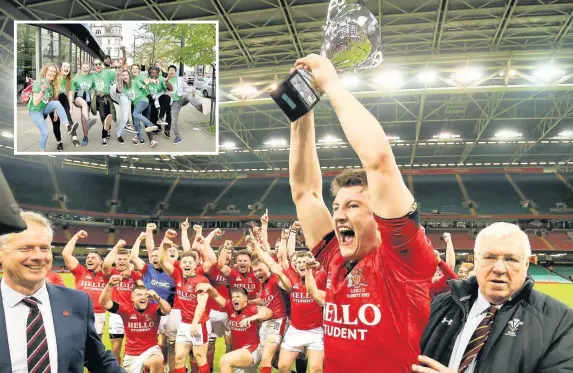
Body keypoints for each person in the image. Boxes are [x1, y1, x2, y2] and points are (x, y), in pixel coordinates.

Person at [288, 54, 436, 373]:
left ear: (379, 215)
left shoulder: (403, 261)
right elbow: (305, 192)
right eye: (338, 206)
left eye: (353, 205)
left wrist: (330, 84)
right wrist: (301, 111)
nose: (339, 215)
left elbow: (379, 162)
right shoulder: (334, 259)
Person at [416, 222, 573, 373]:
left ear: (526, 264)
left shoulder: (561, 322)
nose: (499, 268)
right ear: (476, 261)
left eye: (510, 259)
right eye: (489, 257)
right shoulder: (439, 305)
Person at [0, 211, 124, 373]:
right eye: (25, 248)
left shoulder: (76, 303)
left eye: (45, 248)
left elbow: (97, 358)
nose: (38, 256)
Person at [100, 278, 171, 373]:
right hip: (132, 355)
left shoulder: (154, 309)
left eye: (145, 295)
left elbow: (167, 310)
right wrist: (110, 285)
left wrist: (157, 298)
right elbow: (104, 303)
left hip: (151, 350)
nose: (143, 297)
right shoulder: (126, 309)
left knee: (156, 361)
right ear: (132, 298)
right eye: (139, 295)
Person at [159, 243, 211, 373]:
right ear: (180, 265)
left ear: (195, 265)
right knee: (179, 357)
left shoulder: (201, 281)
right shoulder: (177, 275)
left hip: (199, 324)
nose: (187, 264)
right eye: (184, 262)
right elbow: (162, 261)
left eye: (190, 262)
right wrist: (163, 248)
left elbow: (202, 304)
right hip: (184, 324)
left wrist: (194, 324)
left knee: (200, 357)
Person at [198, 284, 273, 373]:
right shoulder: (230, 307)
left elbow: (268, 312)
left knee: (225, 360)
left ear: (245, 299)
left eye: (238, 296)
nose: (235, 299)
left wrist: (252, 318)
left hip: (252, 350)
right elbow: (216, 295)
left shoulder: (252, 309)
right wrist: (210, 287)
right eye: (233, 297)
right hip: (239, 351)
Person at [102, 240, 144, 363]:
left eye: (124, 259)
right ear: (115, 260)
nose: (121, 261)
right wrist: (116, 246)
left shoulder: (134, 274)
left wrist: (131, 272)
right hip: (116, 314)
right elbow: (105, 265)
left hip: (133, 314)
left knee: (136, 348)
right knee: (115, 348)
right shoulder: (111, 273)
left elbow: (142, 290)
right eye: (119, 259)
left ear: (128, 261)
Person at [62, 229, 108, 337]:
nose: (89, 260)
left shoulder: (107, 275)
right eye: (87, 258)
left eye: (93, 258)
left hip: (98, 314)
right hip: (79, 313)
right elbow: (66, 254)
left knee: (95, 345)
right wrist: (76, 236)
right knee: (76, 343)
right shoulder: (80, 271)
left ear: (101, 261)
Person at [27, 62, 78, 152]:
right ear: (46, 72)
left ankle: (68, 127)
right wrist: (42, 91)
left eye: (54, 72)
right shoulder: (39, 82)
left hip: (44, 108)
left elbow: (51, 99)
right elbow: (35, 102)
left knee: (57, 103)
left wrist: (55, 110)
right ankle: (42, 150)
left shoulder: (51, 84)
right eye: (51, 71)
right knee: (45, 133)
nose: (53, 73)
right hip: (35, 111)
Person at [166, 64, 204, 145]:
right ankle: (178, 137)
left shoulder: (180, 80)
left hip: (181, 99)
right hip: (174, 104)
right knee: (173, 121)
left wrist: (192, 90)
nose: (171, 71)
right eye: (170, 70)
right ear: (168, 71)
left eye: (173, 70)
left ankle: (198, 105)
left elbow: (185, 88)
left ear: (175, 72)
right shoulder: (166, 80)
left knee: (188, 96)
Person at [123, 67, 158, 147]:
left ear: (129, 76)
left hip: (143, 100)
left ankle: (150, 125)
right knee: (136, 122)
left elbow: (146, 81)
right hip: (136, 104)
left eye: (126, 75)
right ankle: (140, 139)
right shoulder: (124, 87)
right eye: (123, 75)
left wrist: (152, 81)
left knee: (135, 114)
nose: (125, 76)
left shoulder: (135, 81)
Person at [48, 61, 80, 150]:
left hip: (62, 98)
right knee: (56, 123)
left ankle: (74, 138)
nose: (67, 68)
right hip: (52, 99)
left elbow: (70, 95)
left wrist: (71, 108)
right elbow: (54, 95)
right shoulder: (57, 78)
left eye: (68, 67)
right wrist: (55, 112)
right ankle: (59, 142)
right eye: (64, 66)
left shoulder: (69, 80)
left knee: (69, 117)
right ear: (61, 68)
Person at [90, 58, 116, 146]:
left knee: (108, 115)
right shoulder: (92, 75)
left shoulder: (108, 72)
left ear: (102, 65)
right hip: (98, 98)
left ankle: (107, 129)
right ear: (93, 66)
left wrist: (118, 65)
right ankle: (104, 137)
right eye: (95, 64)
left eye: (99, 64)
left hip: (107, 97)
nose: (98, 66)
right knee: (103, 116)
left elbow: (119, 73)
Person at [72, 62, 98, 146]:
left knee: (83, 120)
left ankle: (85, 137)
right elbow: (70, 88)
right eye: (84, 67)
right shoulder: (77, 76)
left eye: (87, 67)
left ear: (89, 68)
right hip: (78, 97)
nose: (86, 68)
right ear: (81, 67)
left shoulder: (92, 77)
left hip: (88, 99)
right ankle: (88, 120)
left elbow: (96, 87)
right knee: (83, 104)